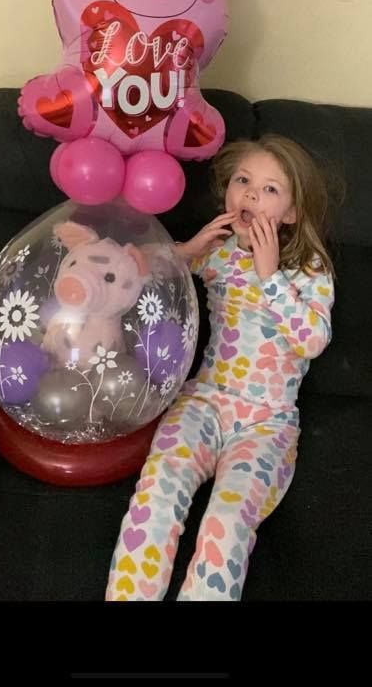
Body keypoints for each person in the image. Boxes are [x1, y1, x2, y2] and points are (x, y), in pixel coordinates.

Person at [105, 135, 335, 601]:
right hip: (203, 401)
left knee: (226, 522)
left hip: (267, 423)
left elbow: (312, 341)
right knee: (157, 491)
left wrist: (270, 276)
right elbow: (138, 272)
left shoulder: (309, 267)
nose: (251, 194)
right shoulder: (218, 251)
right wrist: (187, 250)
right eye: (243, 181)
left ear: (292, 212)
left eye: (270, 189)